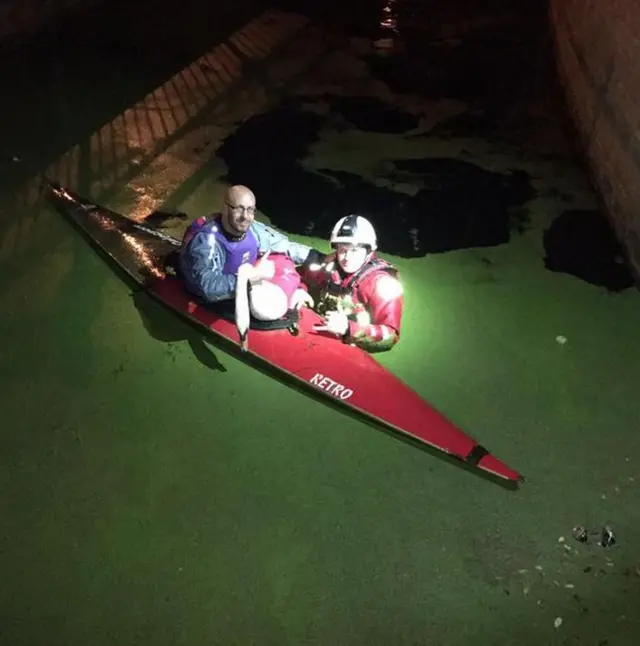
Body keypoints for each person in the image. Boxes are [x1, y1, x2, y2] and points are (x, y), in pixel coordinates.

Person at [178, 185, 317, 306]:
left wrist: (317, 257)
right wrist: (253, 277)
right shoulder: (206, 241)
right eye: (239, 209)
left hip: (243, 280)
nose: (245, 216)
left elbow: (284, 245)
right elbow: (208, 287)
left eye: (250, 210)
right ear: (225, 208)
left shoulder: (252, 229)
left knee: (280, 260)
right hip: (210, 296)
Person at [303, 214, 404, 353]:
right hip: (317, 333)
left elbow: (390, 335)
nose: (347, 258)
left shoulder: (383, 284)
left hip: (351, 348)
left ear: (369, 251)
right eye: (343, 250)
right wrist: (300, 290)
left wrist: (348, 328)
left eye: (355, 250)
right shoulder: (330, 265)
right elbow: (301, 276)